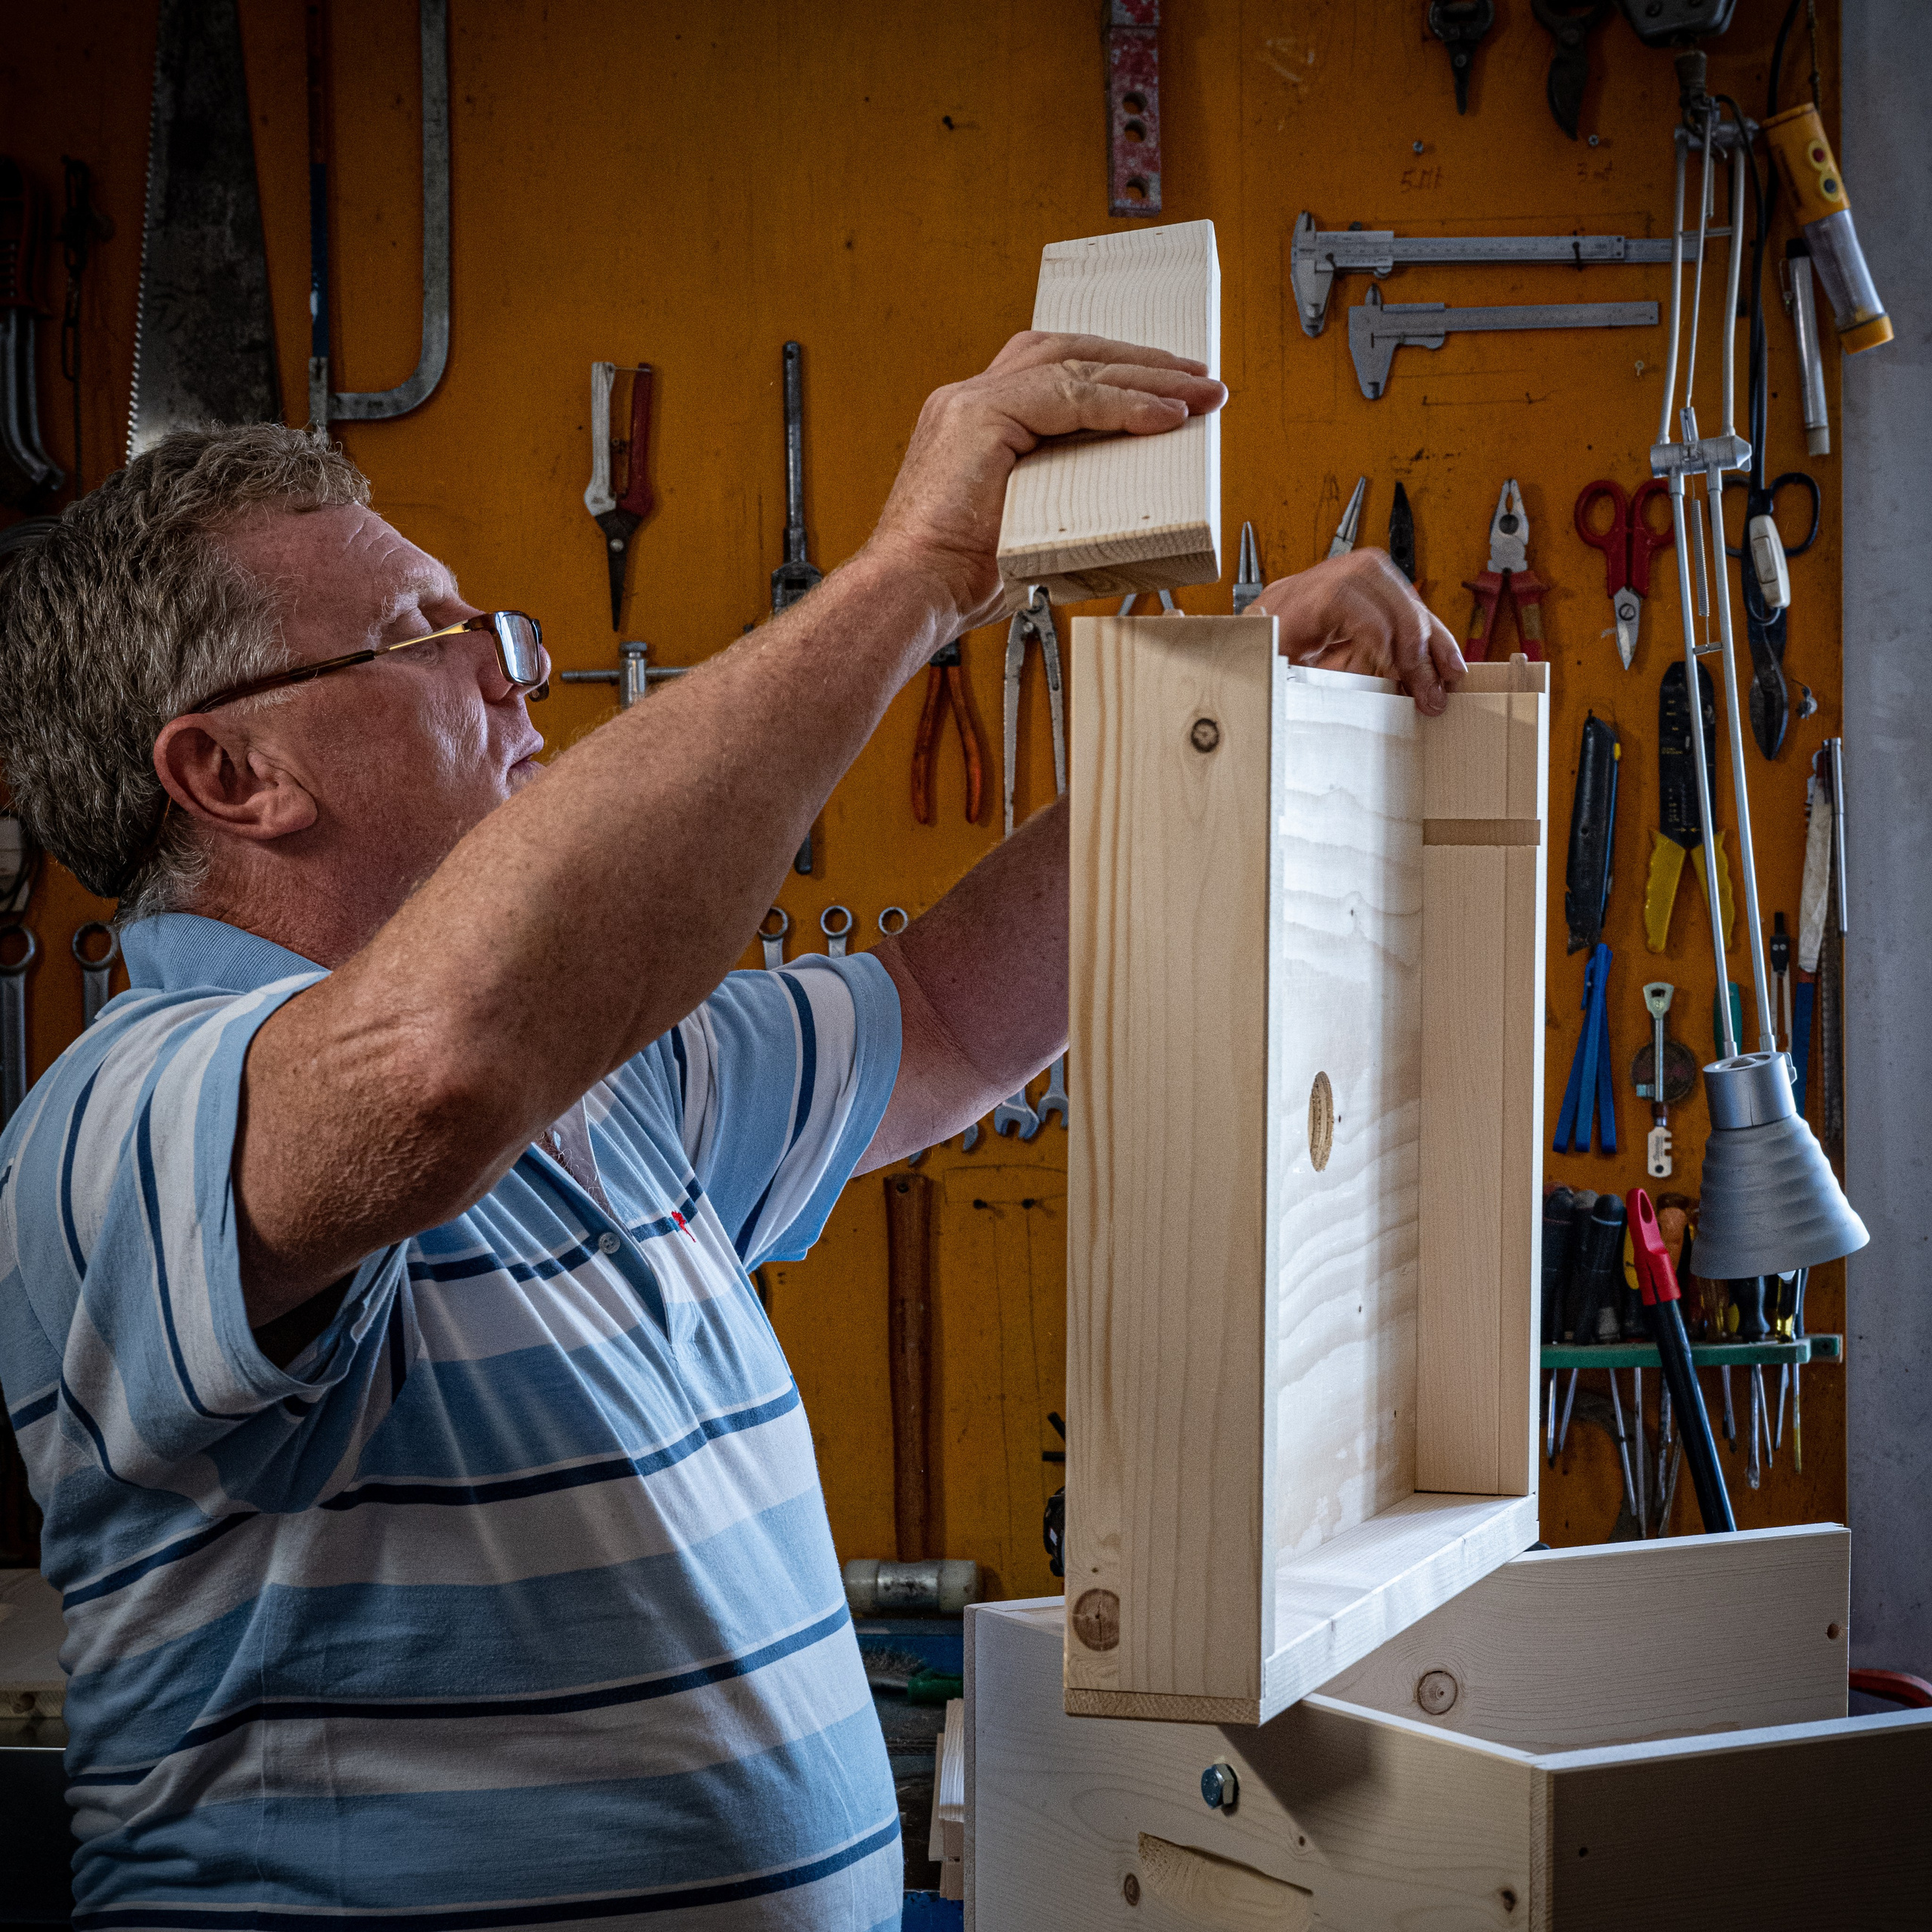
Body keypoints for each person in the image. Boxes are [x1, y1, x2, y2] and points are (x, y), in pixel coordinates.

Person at [0, 331, 1462, 1925]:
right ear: (229, 768)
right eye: (425, 637)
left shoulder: (605, 1081)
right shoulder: (119, 1117)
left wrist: (1235, 711)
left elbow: (950, 1014)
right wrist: (912, 575)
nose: (512, 667)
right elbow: (434, 1061)